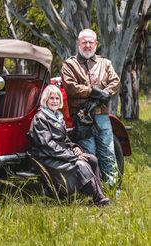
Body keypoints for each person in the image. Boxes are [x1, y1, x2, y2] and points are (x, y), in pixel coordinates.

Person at [28, 85, 110, 206]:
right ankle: (98, 199)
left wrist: (74, 148)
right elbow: (47, 145)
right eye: (51, 98)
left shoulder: (57, 116)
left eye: (57, 98)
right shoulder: (40, 118)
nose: (55, 101)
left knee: (92, 159)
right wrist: (72, 157)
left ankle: (96, 193)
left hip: (59, 153)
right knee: (81, 164)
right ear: (46, 100)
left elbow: (64, 140)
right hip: (45, 157)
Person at [61, 29, 120, 187]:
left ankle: (113, 188)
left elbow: (115, 82)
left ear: (96, 44)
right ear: (78, 43)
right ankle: (94, 190)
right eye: (84, 42)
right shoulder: (69, 64)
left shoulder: (105, 63)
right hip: (81, 116)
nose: (87, 45)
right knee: (89, 153)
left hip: (101, 115)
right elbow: (71, 87)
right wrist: (94, 92)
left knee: (108, 151)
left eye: (90, 42)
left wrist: (105, 93)